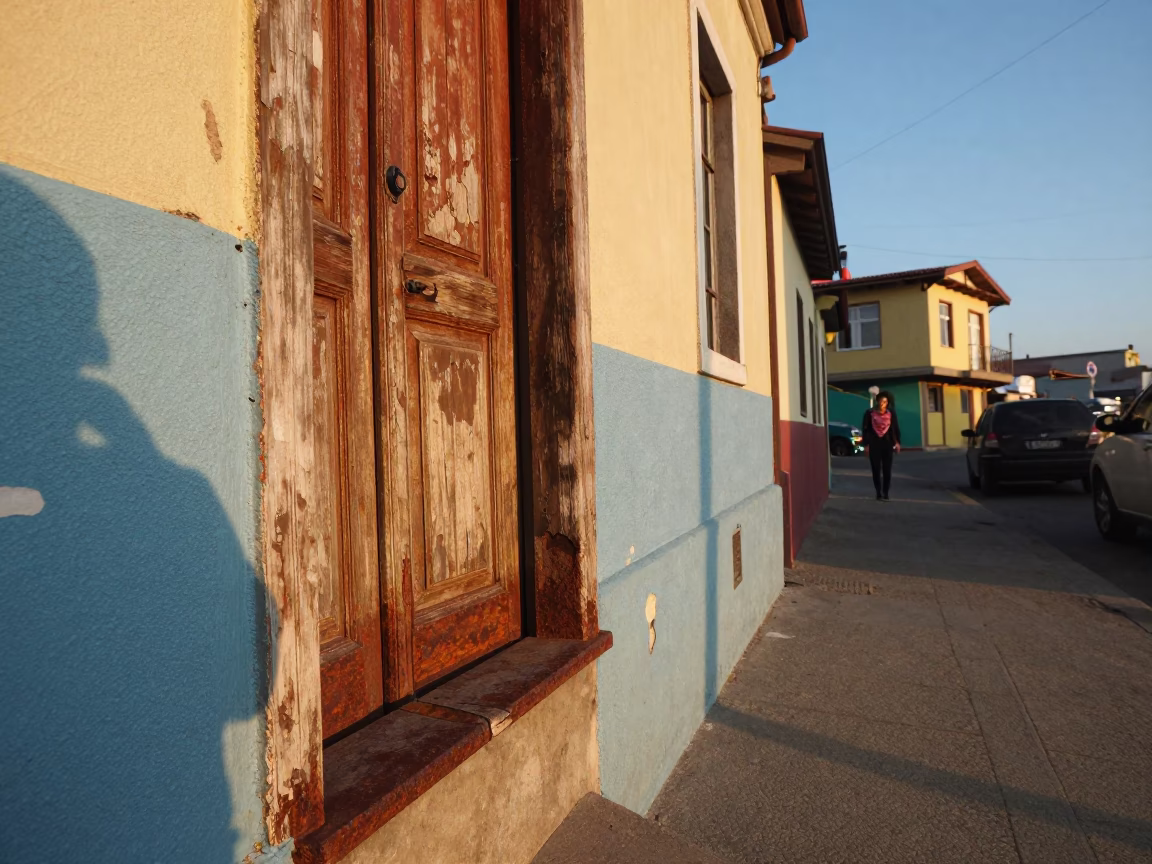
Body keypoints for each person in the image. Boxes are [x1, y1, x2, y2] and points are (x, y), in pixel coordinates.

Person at [862, 391, 901, 500]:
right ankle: (878, 492)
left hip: (887, 444)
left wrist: (897, 442)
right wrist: (866, 445)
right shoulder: (869, 413)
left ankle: (886, 492)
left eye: (884, 401)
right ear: (877, 401)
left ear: (887, 403)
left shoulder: (891, 413)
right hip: (874, 444)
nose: (882, 403)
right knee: (876, 469)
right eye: (880, 401)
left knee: (887, 469)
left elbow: (895, 428)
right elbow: (865, 430)